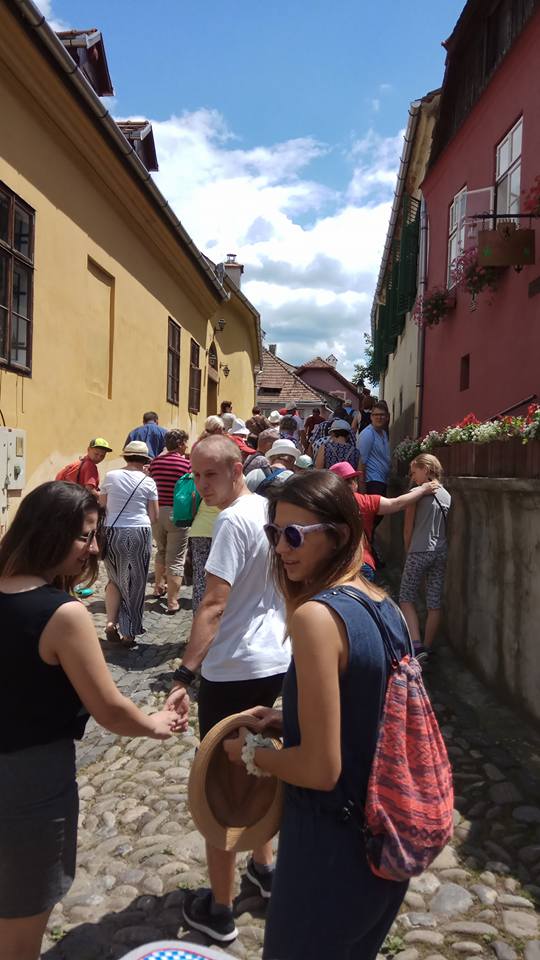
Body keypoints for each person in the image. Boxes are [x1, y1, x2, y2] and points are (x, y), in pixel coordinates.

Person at [222, 471, 409, 959]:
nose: (280, 548)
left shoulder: (315, 618)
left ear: (340, 535)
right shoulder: (383, 602)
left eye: (294, 534)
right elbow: (367, 713)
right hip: (383, 843)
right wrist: (291, 722)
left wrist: (253, 753)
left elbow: (321, 770)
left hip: (330, 848)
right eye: (273, 533)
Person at [0, 481, 182, 960]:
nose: (95, 547)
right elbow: (110, 708)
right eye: (85, 536)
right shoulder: (62, 614)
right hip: (30, 784)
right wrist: (155, 722)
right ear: (49, 534)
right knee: (20, 928)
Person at [165, 435, 290, 943]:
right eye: (195, 475)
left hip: (234, 666)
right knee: (254, 765)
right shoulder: (266, 510)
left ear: (237, 470)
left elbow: (213, 605)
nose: (200, 485)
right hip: (272, 660)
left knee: (219, 782)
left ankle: (219, 910)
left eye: (210, 474)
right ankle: (264, 869)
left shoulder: (233, 521)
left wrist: (183, 674)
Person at [329, 461, 440, 582]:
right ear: (353, 483)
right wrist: (423, 489)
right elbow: (397, 503)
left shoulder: (324, 506)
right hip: (361, 563)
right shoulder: (364, 501)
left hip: (333, 565)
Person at [99, 441, 159, 647]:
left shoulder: (111, 476)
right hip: (138, 531)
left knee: (114, 579)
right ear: (145, 460)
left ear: (126, 456)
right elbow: (154, 516)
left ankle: (110, 622)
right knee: (135, 582)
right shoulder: (148, 482)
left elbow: (102, 507)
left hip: (111, 531)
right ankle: (128, 632)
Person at [399, 454, 451, 661]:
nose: (413, 477)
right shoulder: (447, 495)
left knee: (406, 597)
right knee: (434, 601)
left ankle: (416, 644)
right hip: (440, 551)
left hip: (419, 550)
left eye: (414, 472)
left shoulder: (416, 494)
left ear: (426, 470)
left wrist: (407, 550)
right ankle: (428, 646)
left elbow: (407, 528)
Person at [148, 429, 191, 612]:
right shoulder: (186, 464)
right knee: (176, 558)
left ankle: (158, 587)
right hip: (177, 513)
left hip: (157, 512)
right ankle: (172, 601)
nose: (186, 446)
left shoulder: (155, 462)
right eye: (185, 443)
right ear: (180, 444)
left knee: (161, 550)